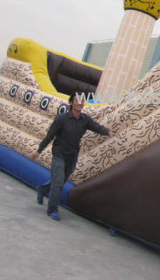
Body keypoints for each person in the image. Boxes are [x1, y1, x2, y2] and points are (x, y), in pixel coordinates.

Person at [32, 92, 114, 221]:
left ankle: (42, 190)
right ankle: (52, 210)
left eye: (82, 101)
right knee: (58, 182)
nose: (80, 103)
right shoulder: (62, 119)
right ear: (71, 102)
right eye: (77, 100)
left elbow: (96, 127)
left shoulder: (85, 119)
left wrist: (107, 132)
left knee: (60, 182)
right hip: (59, 154)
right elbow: (50, 136)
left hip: (72, 156)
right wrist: (39, 151)